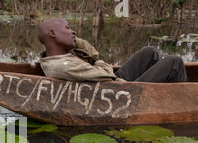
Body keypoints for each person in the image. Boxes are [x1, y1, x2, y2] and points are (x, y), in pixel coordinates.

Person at [37, 18, 188, 83]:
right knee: (174, 62)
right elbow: (106, 72)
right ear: (53, 33)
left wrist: (74, 42)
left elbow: (94, 54)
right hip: (121, 93)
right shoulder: (63, 66)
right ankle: (183, 102)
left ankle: (157, 93)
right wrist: (97, 63)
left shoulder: (62, 53)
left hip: (112, 82)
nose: (73, 32)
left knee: (150, 52)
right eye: (67, 28)